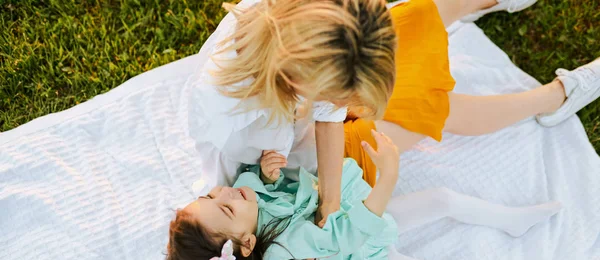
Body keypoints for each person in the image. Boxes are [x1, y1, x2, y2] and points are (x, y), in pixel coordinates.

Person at [163, 130, 600, 260]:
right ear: (245, 246)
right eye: (222, 204)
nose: (224, 189)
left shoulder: (247, 195)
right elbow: (345, 235)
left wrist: (268, 172)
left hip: (357, 217)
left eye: (210, 192)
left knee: (443, 198)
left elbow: (268, 190)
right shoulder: (282, 247)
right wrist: (387, 178)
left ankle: (512, 221)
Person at [186, 0, 600, 221]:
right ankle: (557, 96)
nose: (347, 105)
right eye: (343, 94)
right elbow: (237, 193)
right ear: (297, 77)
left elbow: (330, 107)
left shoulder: (310, 17)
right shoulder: (232, 128)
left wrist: (331, 202)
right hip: (302, 161)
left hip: (310, 113)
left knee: (416, 14)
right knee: (430, 106)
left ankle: (481, 1)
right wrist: (327, 203)